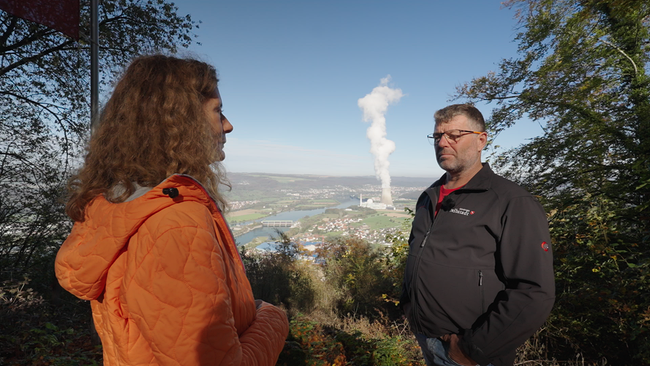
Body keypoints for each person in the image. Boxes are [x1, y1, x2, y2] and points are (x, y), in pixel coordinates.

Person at [55, 55, 289, 366]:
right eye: (218, 111)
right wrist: (273, 318)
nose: (229, 125)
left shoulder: (114, 206)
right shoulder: (176, 223)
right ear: (181, 121)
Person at [400, 104, 555, 366]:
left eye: (455, 135)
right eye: (437, 136)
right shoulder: (429, 196)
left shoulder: (511, 201)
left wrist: (474, 349)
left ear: (481, 140)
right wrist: (408, 306)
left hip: (469, 351)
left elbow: (534, 291)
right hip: (427, 337)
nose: (443, 143)